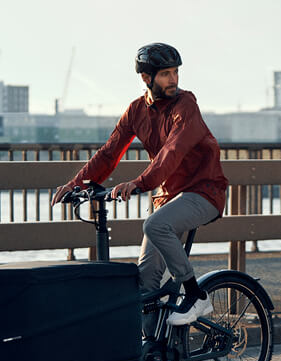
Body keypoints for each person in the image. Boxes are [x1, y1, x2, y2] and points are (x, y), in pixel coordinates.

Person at [52, 42, 228, 335]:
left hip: (203, 191)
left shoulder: (186, 105)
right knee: (146, 282)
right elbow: (109, 153)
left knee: (155, 225)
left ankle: (196, 296)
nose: (174, 80)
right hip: (167, 196)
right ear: (147, 78)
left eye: (175, 73)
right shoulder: (136, 110)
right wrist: (76, 184)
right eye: (165, 74)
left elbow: (173, 150)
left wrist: (138, 183)